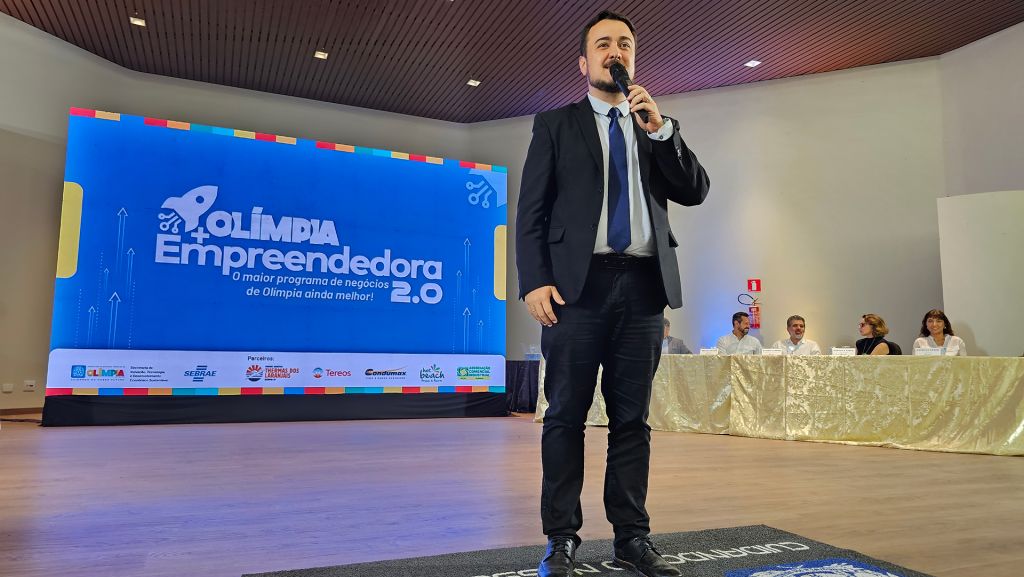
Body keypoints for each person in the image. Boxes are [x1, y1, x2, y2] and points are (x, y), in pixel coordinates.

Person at [515, 10, 710, 577]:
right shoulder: (556, 124)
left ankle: (632, 538)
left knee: (632, 421)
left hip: (644, 288)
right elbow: (531, 212)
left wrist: (663, 132)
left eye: (624, 43)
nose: (614, 51)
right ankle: (561, 538)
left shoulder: (655, 125)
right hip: (576, 290)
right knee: (565, 416)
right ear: (584, 63)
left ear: (634, 57)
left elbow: (694, 190)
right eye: (602, 44)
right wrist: (534, 281)